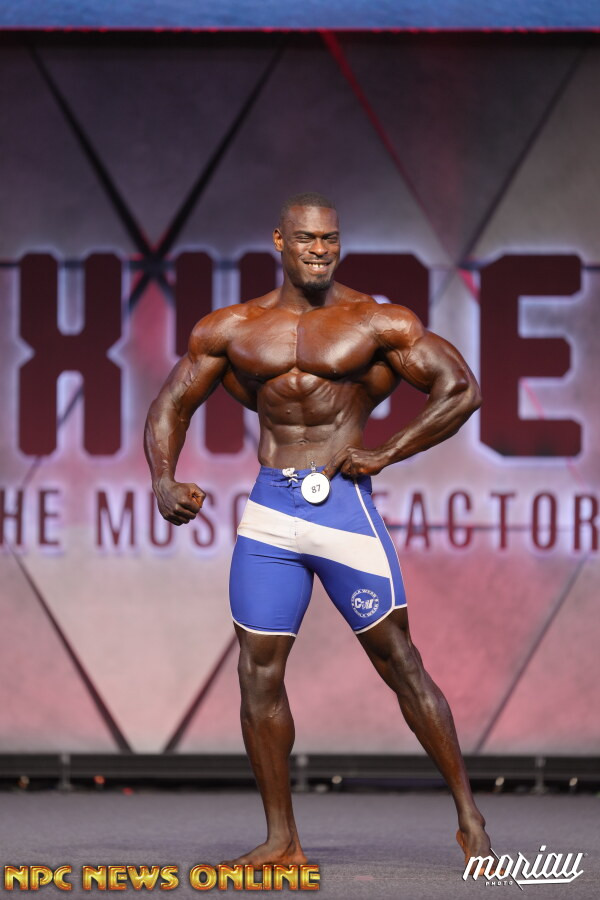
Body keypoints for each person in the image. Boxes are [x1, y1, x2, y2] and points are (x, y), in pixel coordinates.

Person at [144, 191, 498, 870]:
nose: (319, 250)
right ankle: (282, 839)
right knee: (257, 673)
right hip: (273, 511)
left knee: (399, 661)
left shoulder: (376, 320)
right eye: (307, 239)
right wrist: (164, 478)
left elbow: (461, 389)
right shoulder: (233, 327)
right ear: (280, 241)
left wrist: (386, 452)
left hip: (343, 507)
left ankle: (469, 813)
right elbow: (171, 403)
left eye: (329, 239)